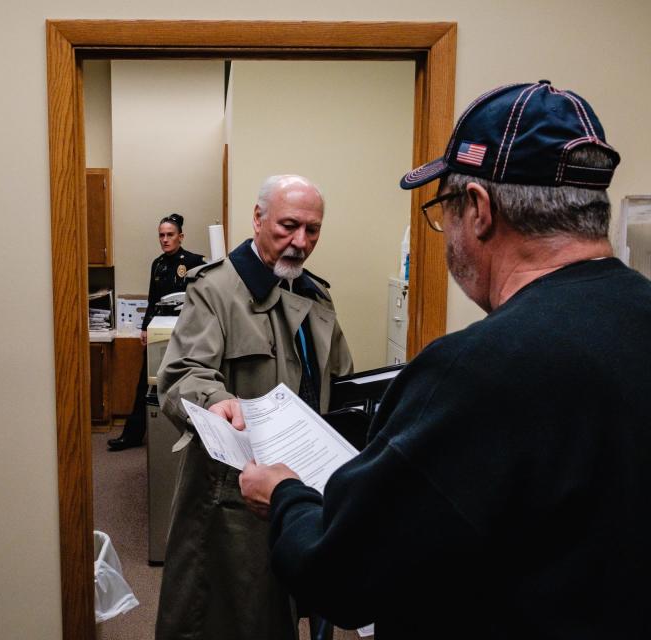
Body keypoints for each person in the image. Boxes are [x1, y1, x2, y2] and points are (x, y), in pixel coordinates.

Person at [239, 81, 651, 638]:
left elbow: (341, 576)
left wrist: (286, 496)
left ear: (478, 210)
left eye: (445, 211)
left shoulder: (479, 369)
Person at [155, 175, 353, 639]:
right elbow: (182, 374)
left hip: (305, 487)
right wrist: (217, 399)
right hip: (236, 498)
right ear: (258, 218)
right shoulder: (217, 289)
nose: (300, 242)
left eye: (312, 230)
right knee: (235, 618)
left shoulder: (316, 295)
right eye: (288, 226)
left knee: (301, 608)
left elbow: (338, 380)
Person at [107, 213, 204, 451]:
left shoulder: (193, 262)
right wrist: (144, 327)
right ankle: (132, 435)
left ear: (180, 237)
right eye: (161, 235)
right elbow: (152, 299)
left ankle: (190, 433)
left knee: (184, 381)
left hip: (183, 333)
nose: (165, 239)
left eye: (170, 235)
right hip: (158, 331)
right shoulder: (158, 264)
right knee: (145, 383)